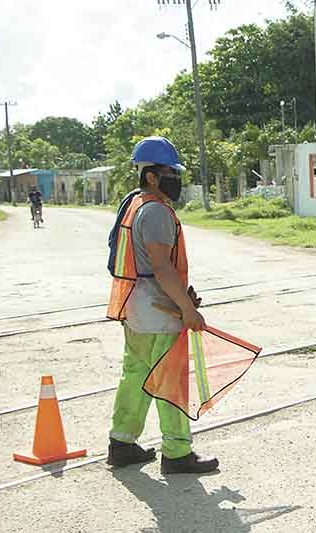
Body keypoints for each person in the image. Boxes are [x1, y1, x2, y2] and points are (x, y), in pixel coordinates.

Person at [106, 136, 218, 474]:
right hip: (159, 311)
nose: (176, 178)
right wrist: (187, 308)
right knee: (170, 380)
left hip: (136, 308)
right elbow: (161, 266)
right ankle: (177, 452)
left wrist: (183, 297)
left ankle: (122, 443)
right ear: (151, 176)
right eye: (170, 172)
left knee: (136, 375)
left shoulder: (134, 203)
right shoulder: (156, 211)